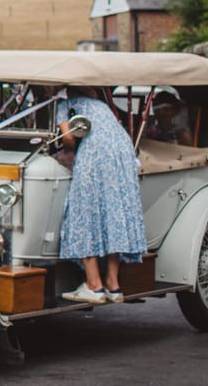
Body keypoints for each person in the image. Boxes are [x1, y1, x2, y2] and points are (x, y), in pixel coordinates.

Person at [53, 89, 147, 304]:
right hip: (122, 151)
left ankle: (94, 284)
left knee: (83, 210)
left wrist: (66, 147)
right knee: (112, 211)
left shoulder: (66, 105)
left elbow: (68, 137)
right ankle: (113, 285)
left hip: (95, 152)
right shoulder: (101, 106)